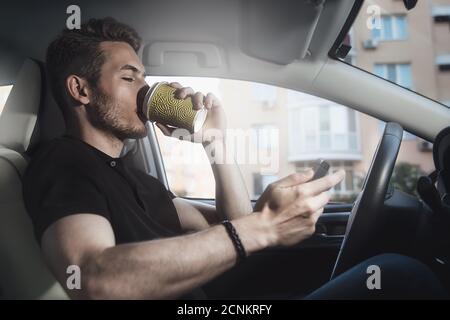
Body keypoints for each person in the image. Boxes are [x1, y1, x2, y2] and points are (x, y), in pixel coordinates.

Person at [23, 17, 447, 300]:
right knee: (398, 277)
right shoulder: (64, 163)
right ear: (81, 90)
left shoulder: (134, 177)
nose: (144, 90)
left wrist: (215, 143)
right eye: (129, 77)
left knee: (396, 273)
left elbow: (233, 220)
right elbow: (94, 276)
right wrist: (263, 228)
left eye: (144, 77)